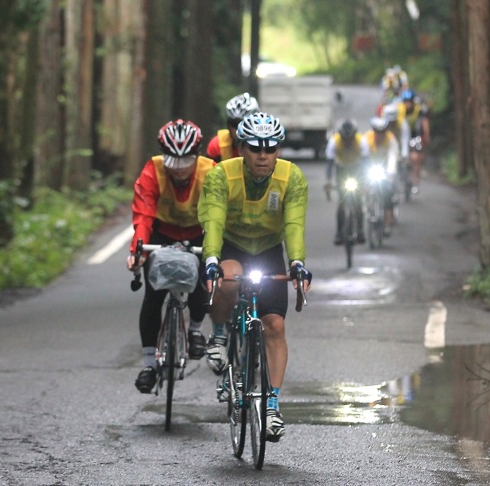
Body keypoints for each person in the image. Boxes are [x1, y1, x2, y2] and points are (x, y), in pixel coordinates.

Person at [197, 112, 312, 441]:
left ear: (278, 150)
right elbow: (214, 221)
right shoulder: (222, 174)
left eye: (270, 149)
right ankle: (219, 336)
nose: (263, 156)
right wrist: (211, 260)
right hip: (232, 246)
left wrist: (298, 263)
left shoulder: (292, 178)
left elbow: (293, 225)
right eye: (255, 149)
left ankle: (272, 406)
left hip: (268, 249)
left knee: (275, 325)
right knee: (228, 279)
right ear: (242, 149)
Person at [127, 119, 216, 394]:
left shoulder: (211, 172)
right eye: (172, 161)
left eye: (186, 160)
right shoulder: (152, 171)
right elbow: (143, 215)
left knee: (203, 283)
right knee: (153, 295)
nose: (178, 169)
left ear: (197, 155)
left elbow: (216, 216)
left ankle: (196, 329)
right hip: (161, 234)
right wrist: (137, 250)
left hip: (199, 233)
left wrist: (215, 252)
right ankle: (148, 364)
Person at [325, 119, 370, 245]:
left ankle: (360, 230)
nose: (348, 142)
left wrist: (366, 181)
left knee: (358, 201)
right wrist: (328, 181)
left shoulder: (361, 141)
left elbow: (366, 163)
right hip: (341, 169)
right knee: (341, 202)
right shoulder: (334, 141)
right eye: (345, 139)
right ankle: (339, 232)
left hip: (357, 168)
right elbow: (329, 163)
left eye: (350, 139)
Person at [364, 116, 400, 236]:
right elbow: (362, 158)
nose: (379, 135)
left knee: (387, 193)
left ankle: (388, 222)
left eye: (382, 132)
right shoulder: (366, 139)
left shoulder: (391, 140)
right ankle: (366, 207)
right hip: (369, 167)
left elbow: (392, 158)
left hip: (385, 169)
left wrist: (390, 175)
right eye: (377, 132)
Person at [205, 92, 260, 162]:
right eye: (235, 124)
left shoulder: (270, 145)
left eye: (245, 124)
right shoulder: (217, 145)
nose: (239, 130)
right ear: (228, 125)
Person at [400, 89, 431, 193]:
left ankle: (415, 180)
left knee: (416, 157)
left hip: (416, 135)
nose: (407, 104)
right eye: (406, 102)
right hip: (403, 136)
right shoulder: (400, 110)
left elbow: (424, 122)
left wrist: (426, 135)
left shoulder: (419, 110)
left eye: (409, 102)